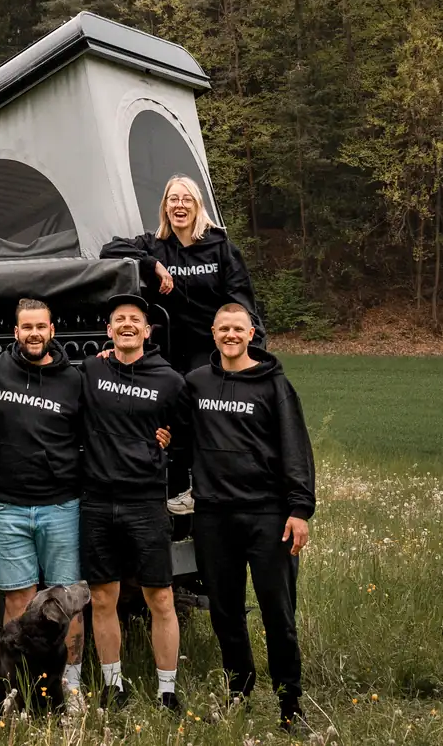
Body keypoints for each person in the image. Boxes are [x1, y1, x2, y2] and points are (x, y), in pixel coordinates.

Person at [178, 303, 316, 732]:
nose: (231, 335)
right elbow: (174, 428)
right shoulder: (196, 383)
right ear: (213, 333)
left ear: (251, 333)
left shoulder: (275, 385)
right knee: (226, 613)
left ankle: (290, 705)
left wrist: (299, 509)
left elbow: (295, 447)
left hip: (268, 516)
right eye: (224, 328)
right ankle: (238, 692)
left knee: (278, 613)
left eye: (238, 328)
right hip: (213, 515)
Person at [0, 299, 91, 707]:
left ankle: (70, 685)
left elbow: (109, 420)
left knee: (68, 604)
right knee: (18, 600)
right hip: (10, 506)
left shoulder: (74, 378)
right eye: (26, 327)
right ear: (15, 332)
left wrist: (158, 432)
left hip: (61, 505)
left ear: (52, 330)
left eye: (40, 326)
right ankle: (13, 686)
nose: (34, 334)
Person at [77, 295, 188, 711]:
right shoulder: (91, 370)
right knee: (103, 597)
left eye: (135, 319)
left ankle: (167, 692)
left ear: (147, 330)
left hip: (145, 501)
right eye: (119, 319)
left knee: (160, 597)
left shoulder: (170, 380)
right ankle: (113, 686)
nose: (127, 324)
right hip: (97, 500)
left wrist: (169, 444)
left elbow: (189, 432)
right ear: (109, 331)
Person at [98, 175, 266, 371]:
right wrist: (153, 264)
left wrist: (254, 352)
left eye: (187, 200)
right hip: (166, 350)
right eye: (174, 199)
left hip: (211, 348)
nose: (180, 205)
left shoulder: (221, 248)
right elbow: (109, 249)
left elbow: (242, 306)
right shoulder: (153, 245)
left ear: (197, 207)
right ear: (165, 207)